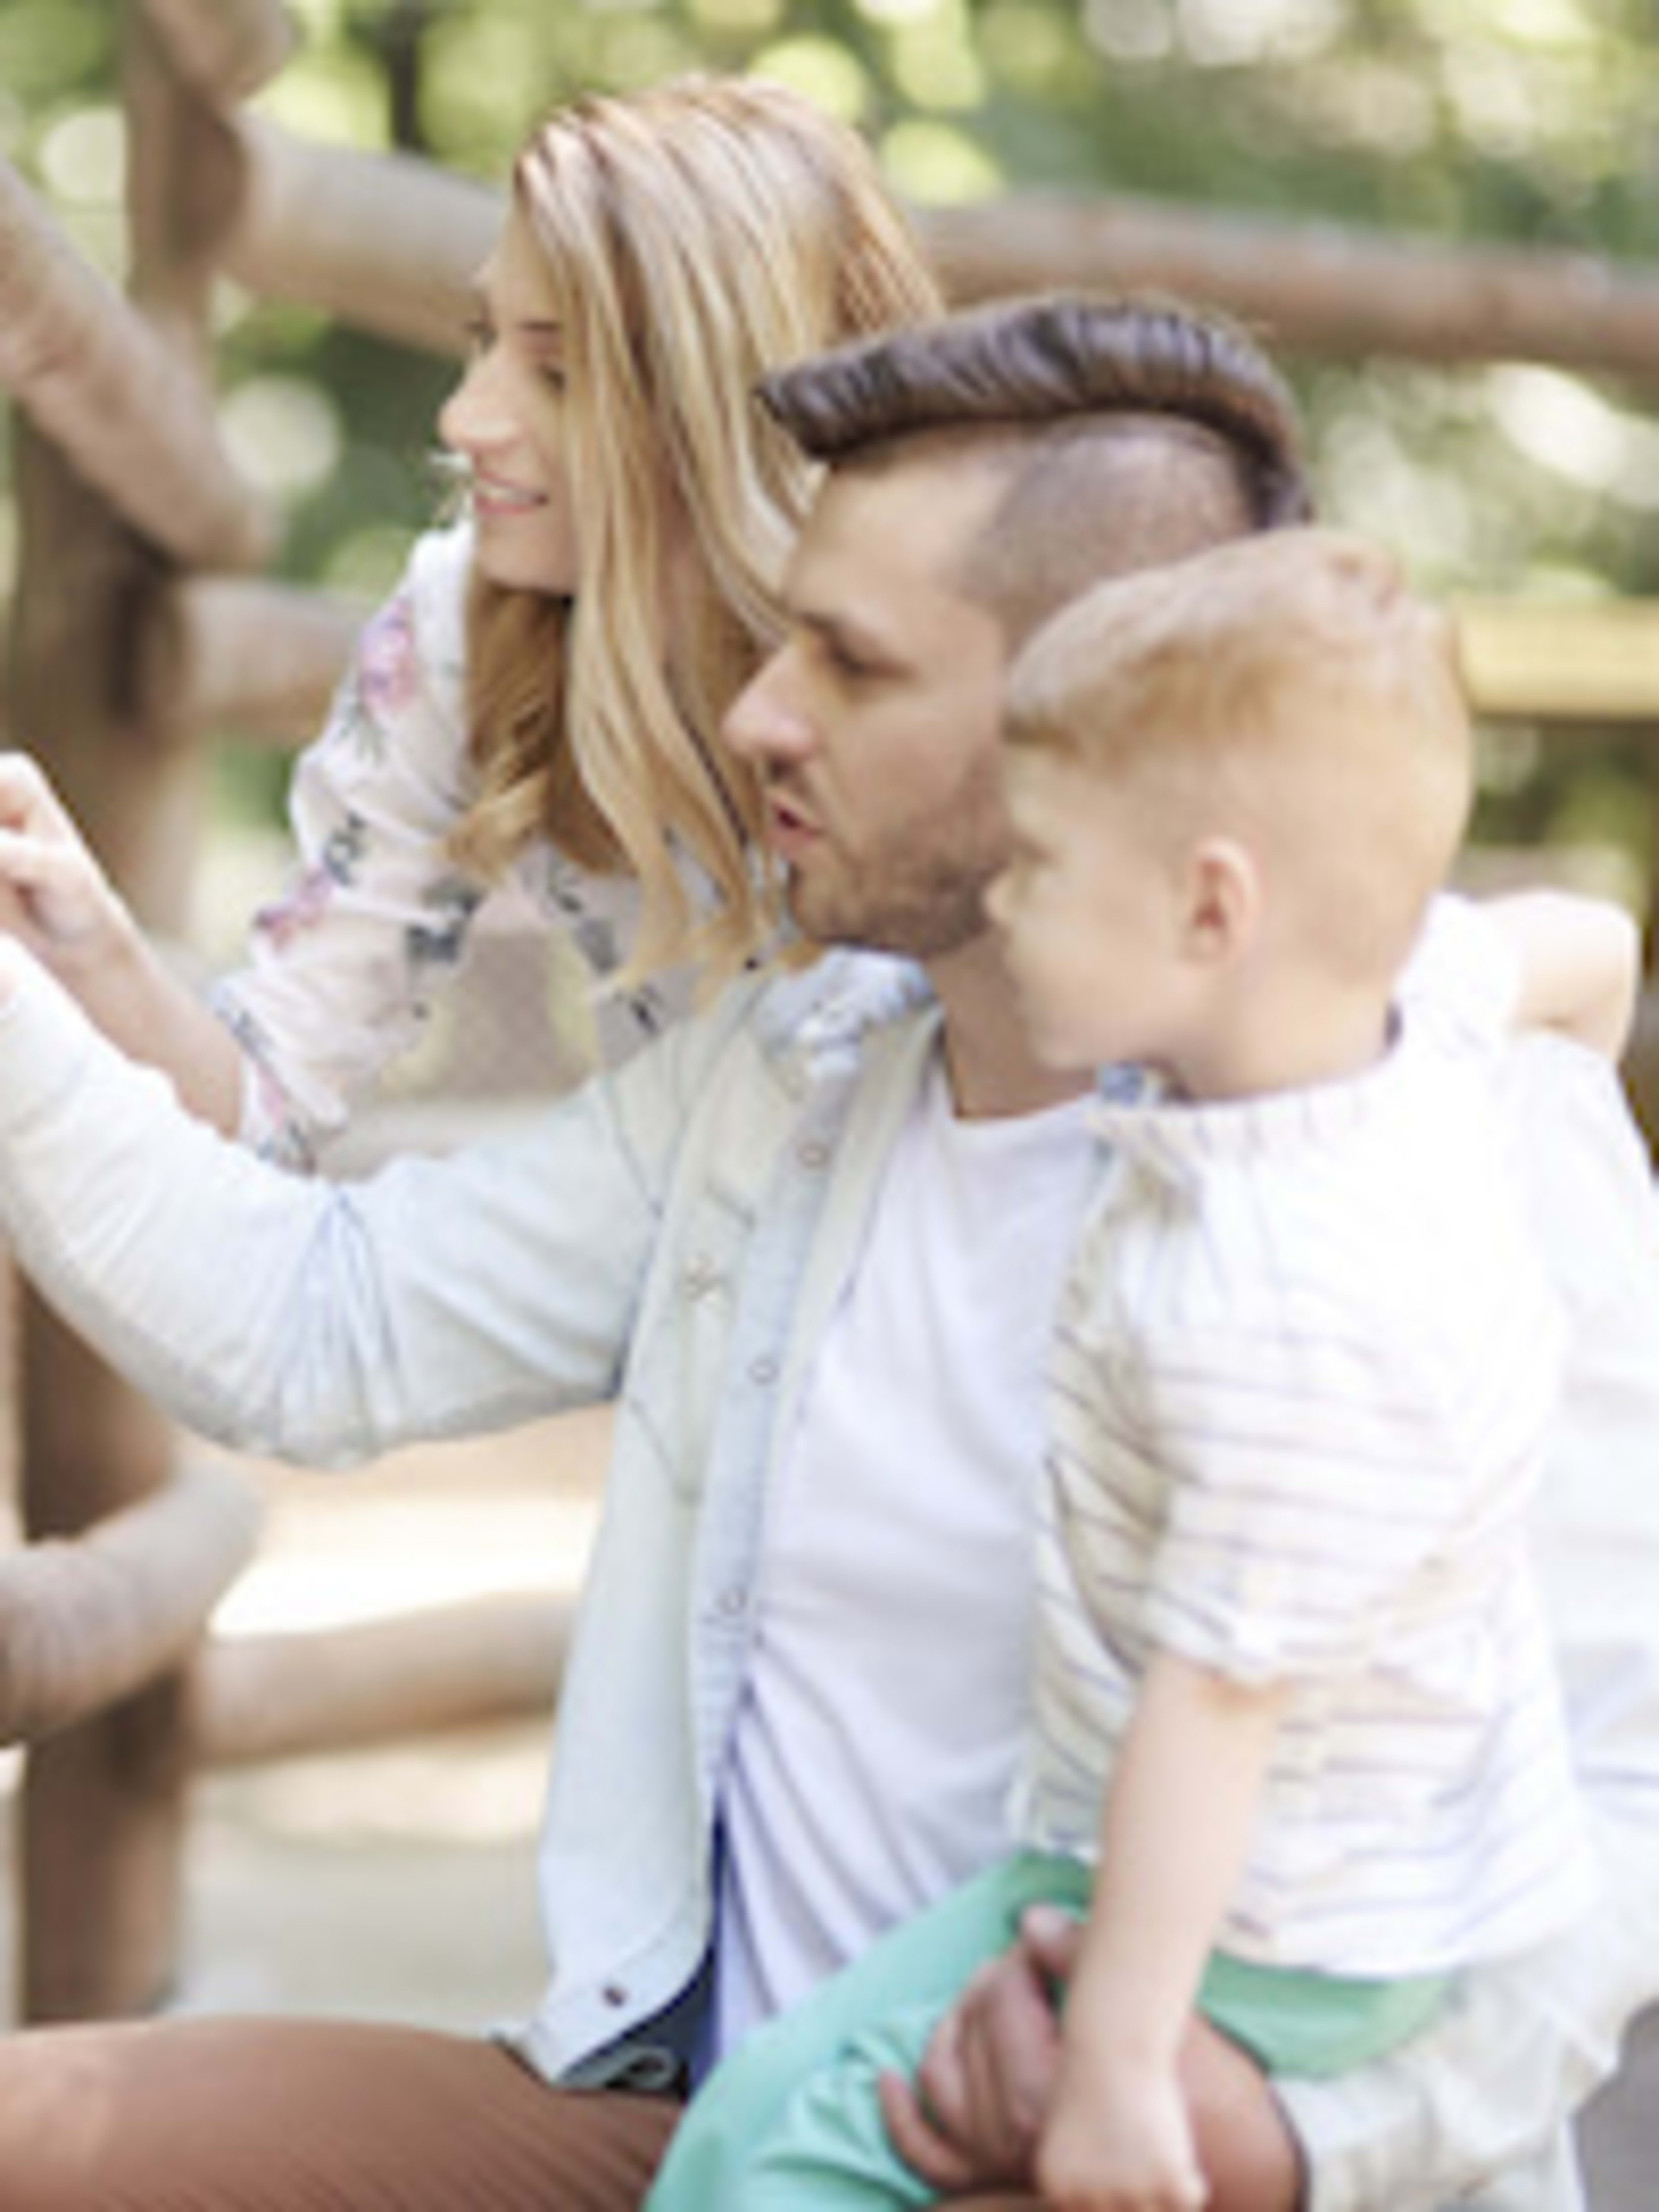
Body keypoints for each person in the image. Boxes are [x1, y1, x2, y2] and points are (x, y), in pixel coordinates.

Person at [0, 296, 1649, 2212]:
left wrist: (1260, 2130)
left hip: (1162, 2161)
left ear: (1083, 723)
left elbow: (1624, 1816)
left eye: (852, 663)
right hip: (741, 2130)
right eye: (787, 631)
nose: (762, 710)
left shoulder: (1457, 1156)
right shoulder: (795, 1070)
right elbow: (316, 1323)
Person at [639, 527, 1637, 2212]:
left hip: (1275, 1928)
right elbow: (1593, 942)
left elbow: (1218, 1709)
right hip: (1290, 1873)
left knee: (769, 2162)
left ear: (1210, 905)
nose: (1001, 900)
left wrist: (1114, 2065)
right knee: (752, 2115)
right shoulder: (1416, 1025)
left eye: (1040, 864)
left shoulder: (1284, 1304)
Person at [0, 72, 940, 1166]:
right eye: (483, 340)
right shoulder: (463, 628)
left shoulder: (951, 655)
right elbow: (265, 1101)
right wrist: (90, 944)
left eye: (558, 372)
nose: (466, 416)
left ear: (722, 406)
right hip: (685, 1291)